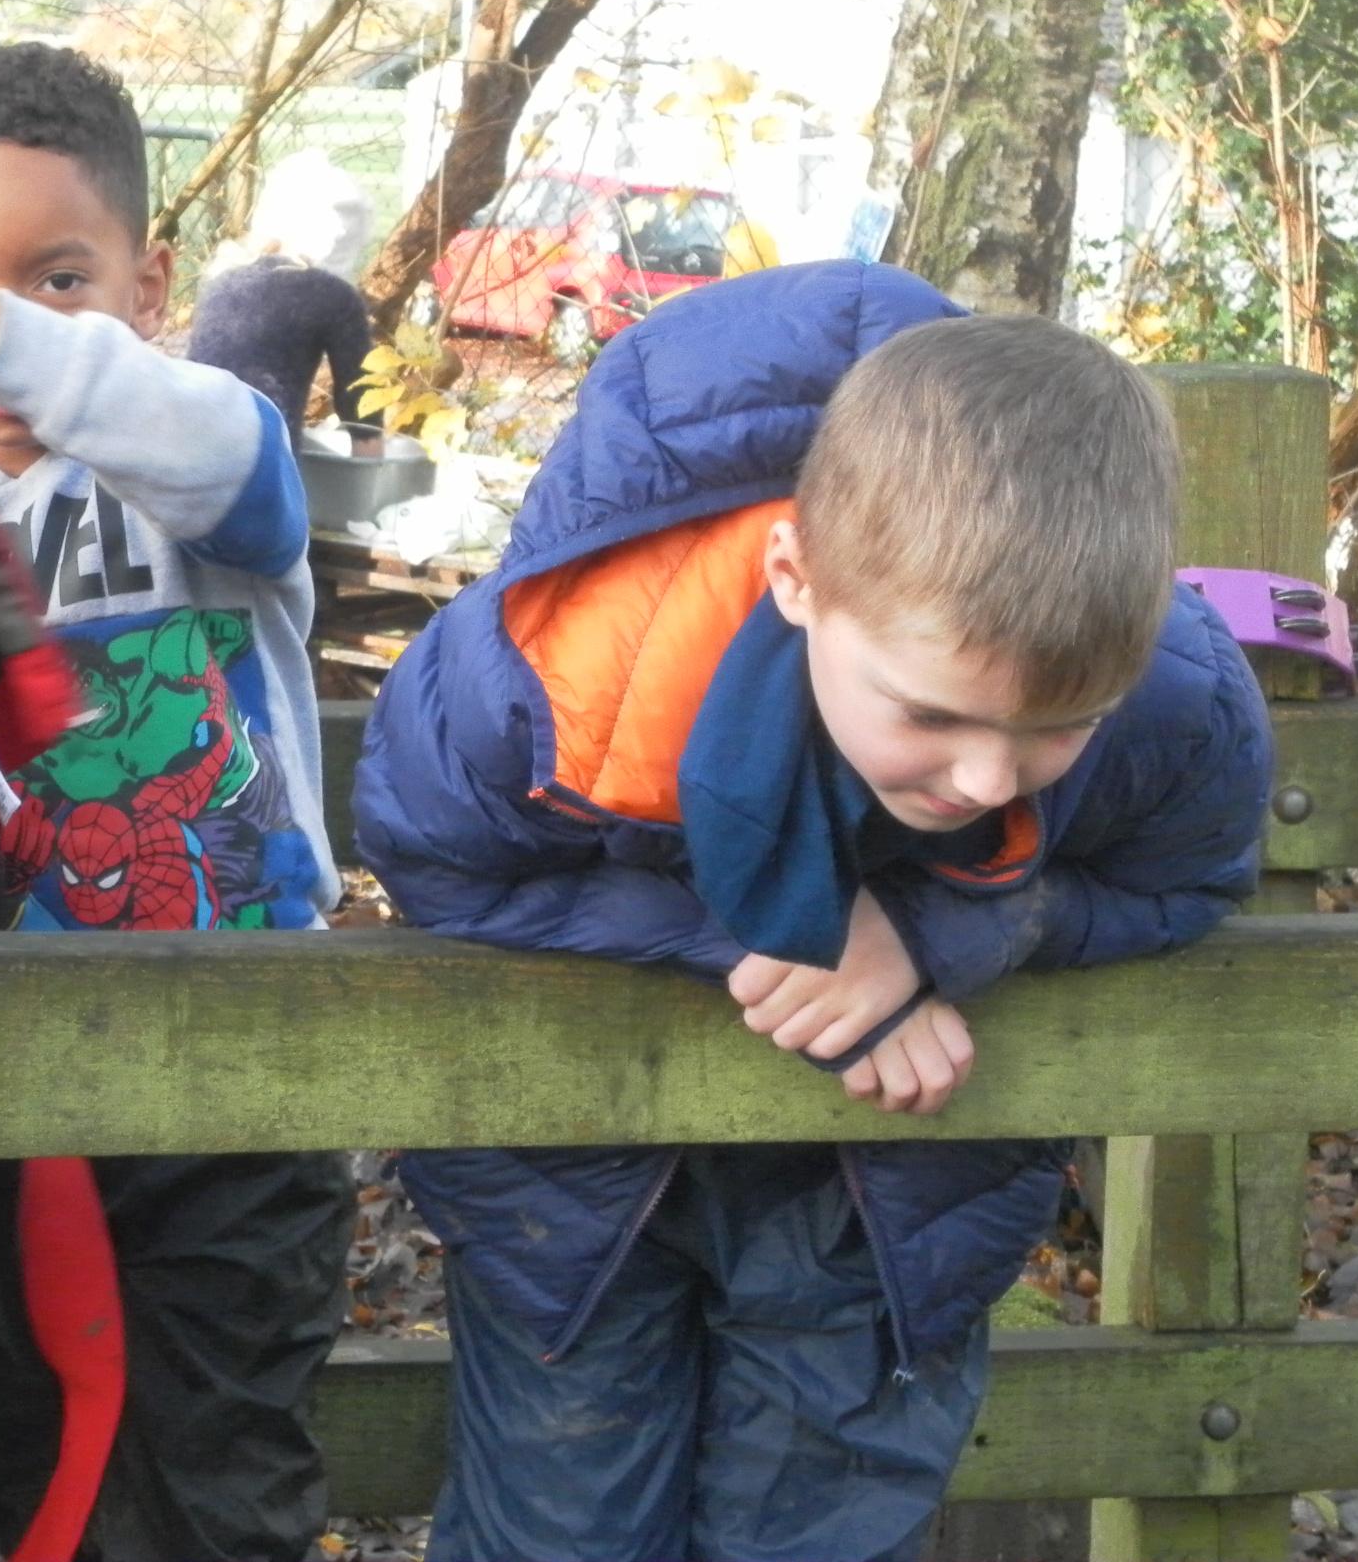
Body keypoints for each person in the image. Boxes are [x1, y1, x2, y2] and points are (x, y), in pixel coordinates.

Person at [353, 258, 1272, 1562]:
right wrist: (793, 934)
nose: (985, 780)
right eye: (932, 714)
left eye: (1058, 729)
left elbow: (1185, 878)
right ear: (795, 576)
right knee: (561, 1527)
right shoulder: (558, 677)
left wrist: (950, 934)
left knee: (819, 1533)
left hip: (889, 1209)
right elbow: (436, 858)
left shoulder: (1170, 701)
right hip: (572, 1182)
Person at [0, 42, 354, 1562]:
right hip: (11, 1074)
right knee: (23, 1469)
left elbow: (223, 455)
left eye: (60, 279)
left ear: (151, 286)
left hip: (245, 1077)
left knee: (222, 1471)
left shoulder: (205, 448)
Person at [187, 147, 381, 450]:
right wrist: (374, 468)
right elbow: (360, 404)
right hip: (260, 456)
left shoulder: (222, 279)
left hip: (189, 441)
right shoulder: (335, 297)